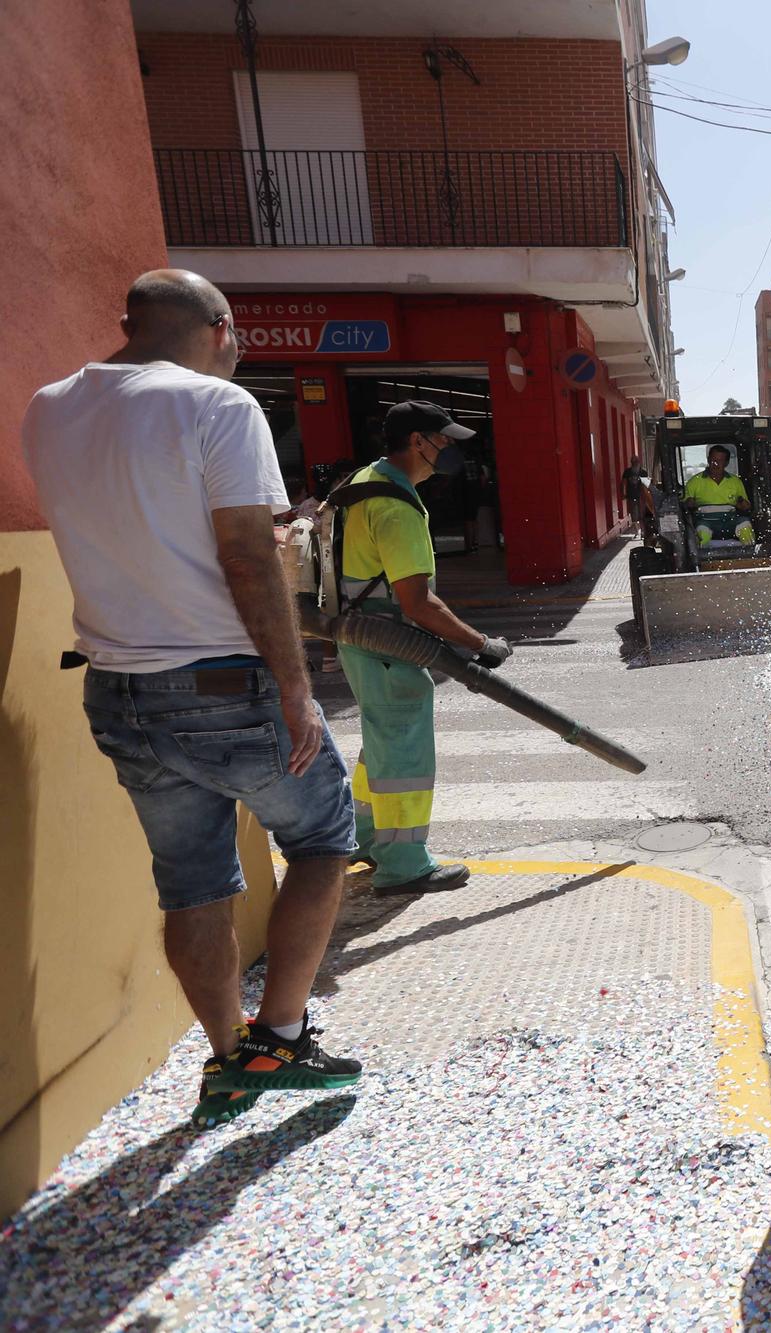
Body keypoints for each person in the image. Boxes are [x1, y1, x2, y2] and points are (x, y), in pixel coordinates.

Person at [22, 269, 362, 1129]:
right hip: (223, 681)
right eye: (239, 339)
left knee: (192, 885)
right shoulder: (219, 405)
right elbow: (246, 558)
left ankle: (226, 1055)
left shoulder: (49, 406)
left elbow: (138, 525)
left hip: (118, 686)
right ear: (220, 327)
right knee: (323, 835)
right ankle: (281, 1037)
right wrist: (295, 687)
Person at [335, 400, 512, 894]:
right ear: (419, 441)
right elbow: (418, 602)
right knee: (404, 754)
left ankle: (363, 837)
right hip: (390, 644)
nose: (451, 449)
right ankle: (404, 864)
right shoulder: (395, 505)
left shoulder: (363, 481)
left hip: (358, 636)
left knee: (381, 743)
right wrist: (482, 644)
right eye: (445, 439)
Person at [683, 444, 755, 544]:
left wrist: (742, 503)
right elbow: (685, 505)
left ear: (726, 463)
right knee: (702, 533)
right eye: (713, 460)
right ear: (708, 460)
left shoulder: (735, 481)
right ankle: (703, 559)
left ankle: (751, 557)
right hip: (705, 521)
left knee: (745, 525)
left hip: (730, 520)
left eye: (720, 461)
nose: (716, 464)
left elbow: (746, 506)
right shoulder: (694, 482)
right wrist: (689, 503)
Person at [623, 458, 658, 540]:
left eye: (636, 462)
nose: (635, 464)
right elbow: (624, 483)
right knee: (633, 514)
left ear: (639, 463)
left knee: (642, 514)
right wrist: (623, 493)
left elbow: (646, 484)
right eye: (633, 462)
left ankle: (642, 531)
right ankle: (637, 531)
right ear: (631, 463)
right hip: (631, 495)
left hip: (642, 496)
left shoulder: (643, 472)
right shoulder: (627, 472)